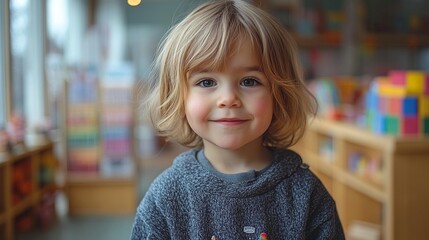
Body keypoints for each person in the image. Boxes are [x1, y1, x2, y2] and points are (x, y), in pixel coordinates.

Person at [131, 0, 345, 239]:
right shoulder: (165, 197)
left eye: (249, 81)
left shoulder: (307, 195)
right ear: (179, 97)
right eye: (206, 82)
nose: (228, 99)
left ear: (279, 94)